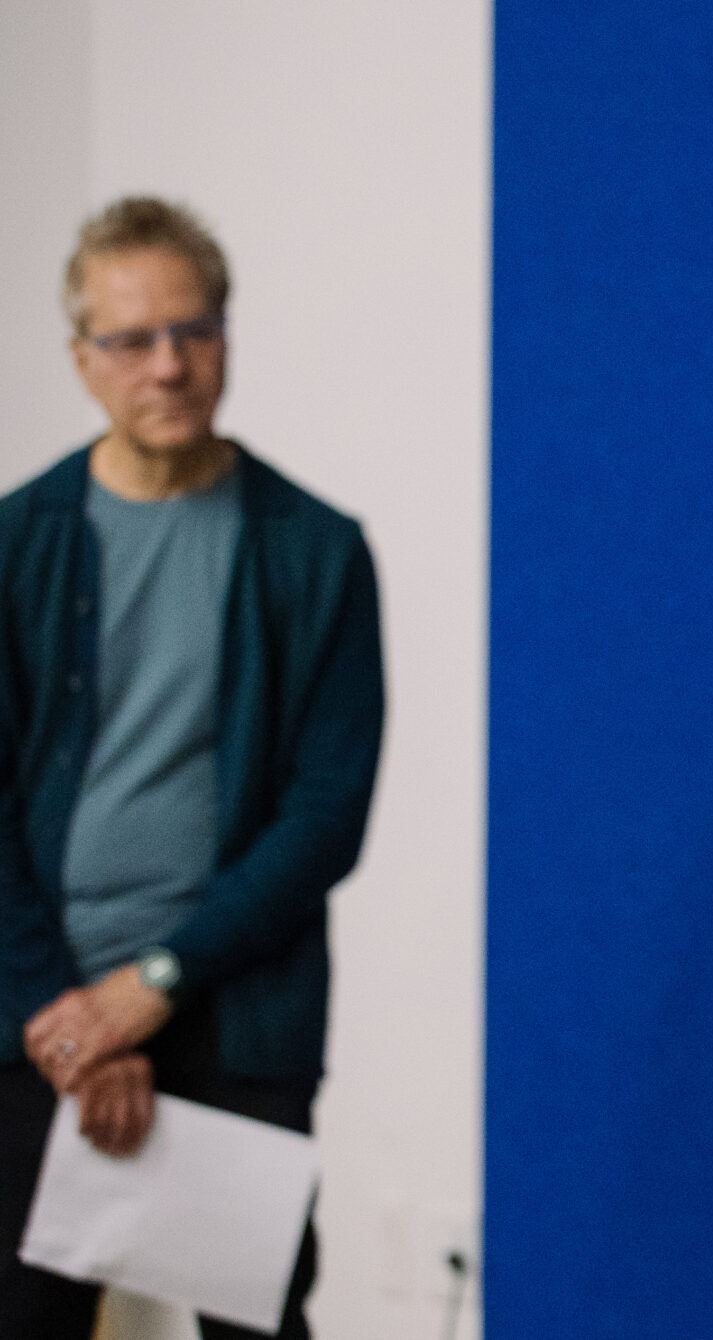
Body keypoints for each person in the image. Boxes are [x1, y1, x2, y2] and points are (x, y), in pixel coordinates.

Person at [0, 197, 385, 1339]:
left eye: (196, 329)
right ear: (82, 359)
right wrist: (69, 1017)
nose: (169, 365)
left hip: (237, 1015)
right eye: (132, 339)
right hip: (40, 1023)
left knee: (253, 1326)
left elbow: (325, 816)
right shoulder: (20, 546)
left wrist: (151, 984)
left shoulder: (314, 550)